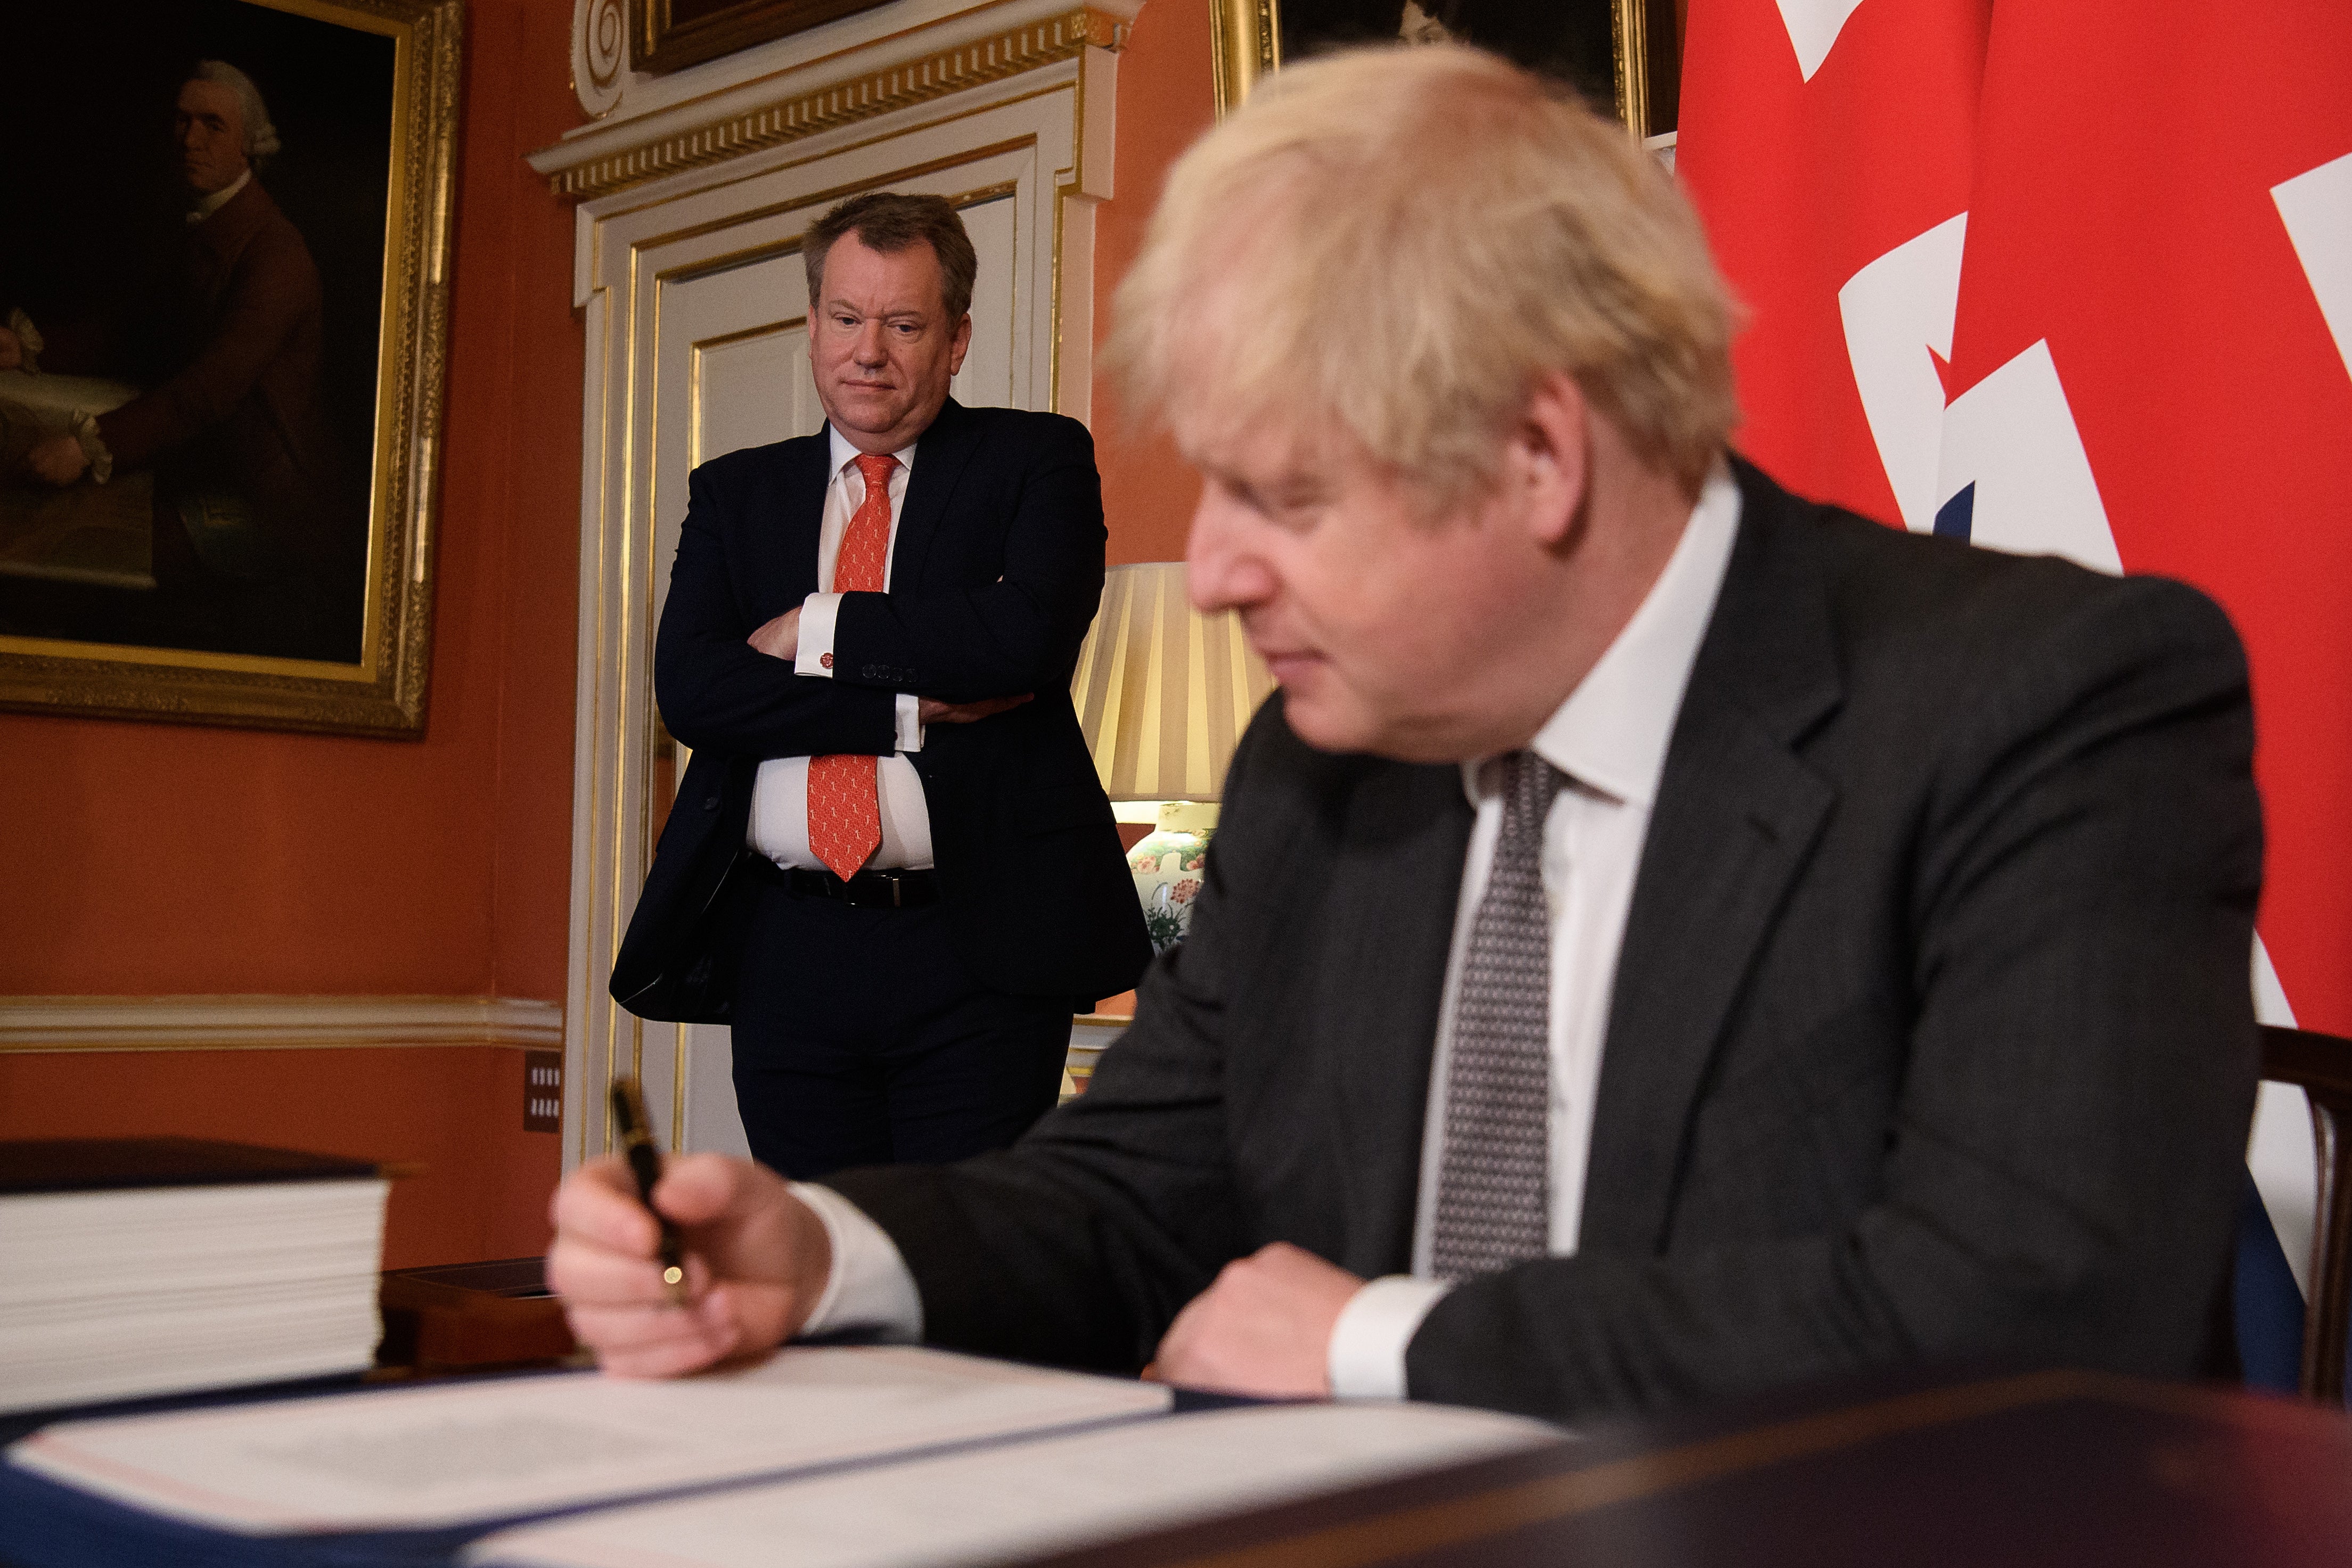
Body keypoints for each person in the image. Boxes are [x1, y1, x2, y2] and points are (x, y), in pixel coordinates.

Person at [551, 47, 2261, 1422]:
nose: (1211, 572)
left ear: (1536, 456)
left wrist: (1385, 1345)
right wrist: (822, 1251)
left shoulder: (2044, 707)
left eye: (1281, 493)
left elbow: (2034, 1318)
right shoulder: (1320, 766)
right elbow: (1133, 1190)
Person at [612, 192, 1150, 1179]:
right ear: (813, 324)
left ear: (955, 341)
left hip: (976, 951)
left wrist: (810, 627)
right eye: (847, 318)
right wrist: (902, 705)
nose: (870, 352)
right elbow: (695, 690)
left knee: (960, 1270)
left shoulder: (1035, 461)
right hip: (787, 949)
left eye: (903, 325)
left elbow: (1017, 643)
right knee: (820, 1266)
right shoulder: (737, 493)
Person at [1, 61, 353, 661]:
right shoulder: (200, 223)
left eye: (212, 125)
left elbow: (209, 389)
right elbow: (133, 334)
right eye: (183, 121)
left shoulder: (277, 255)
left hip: (264, 505)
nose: (190, 139)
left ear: (251, 142)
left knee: (71, 563)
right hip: (196, 466)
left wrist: (86, 445)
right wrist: (28, 348)